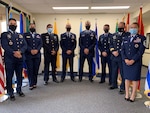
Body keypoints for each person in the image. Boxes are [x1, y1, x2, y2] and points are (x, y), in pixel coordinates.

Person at [1, 18, 27, 101]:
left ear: (16, 25)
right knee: (9, 76)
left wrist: (20, 52)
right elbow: (5, 46)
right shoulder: (5, 34)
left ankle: (19, 89)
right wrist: (14, 53)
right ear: (8, 25)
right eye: (11, 23)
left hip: (19, 59)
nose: (13, 25)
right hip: (10, 59)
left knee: (19, 75)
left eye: (14, 24)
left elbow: (25, 46)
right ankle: (10, 92)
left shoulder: (20, 35)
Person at [121, 22, 146, 102]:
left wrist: (133, 60)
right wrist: (125, 59)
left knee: (135, 78)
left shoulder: (142, 38)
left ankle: (133, 94)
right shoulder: (125, 38)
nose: (133, 29)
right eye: (131, 27)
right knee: (127, 78)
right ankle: (127, 93)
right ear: (128, 29)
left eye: (135, 27)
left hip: (136, 62)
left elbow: (140, 51)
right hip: (126, 62)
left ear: (138, 28)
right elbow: (122, 50)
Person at [109, 22, 130, 94]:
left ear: (124, 27)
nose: (120, 27)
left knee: (122, 72)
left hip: (122, 57)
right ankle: (114, 84)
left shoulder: (128, 35)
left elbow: (127, 46)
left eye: (121, 26)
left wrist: (118, 51)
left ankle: (122, 87)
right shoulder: (113, 35)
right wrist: (113, 51)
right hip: (114, 56)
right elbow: (110, 44)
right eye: (119, 26)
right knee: (113, 71)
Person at [24, 23, 42, 90]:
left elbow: (40, 44)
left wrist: (37, 50)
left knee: (35, 69)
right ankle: (31, 83)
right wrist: (30, 50)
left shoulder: (38, 35)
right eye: (31, 26)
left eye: (33, 26)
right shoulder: (25, 35)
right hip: (29, 55)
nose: (32, 27)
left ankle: (35, 83)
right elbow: (24, 44)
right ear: (29, 27)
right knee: (30, 69)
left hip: (37, 55)